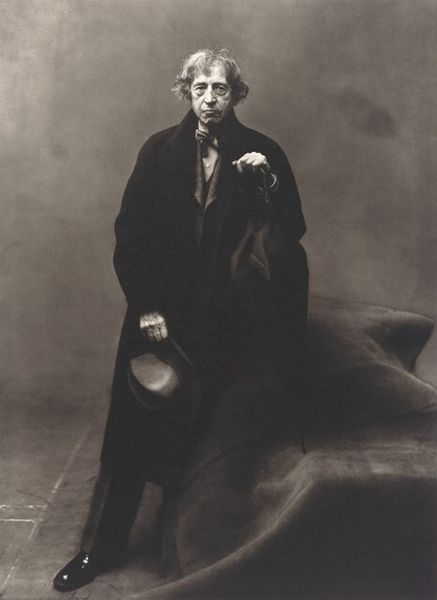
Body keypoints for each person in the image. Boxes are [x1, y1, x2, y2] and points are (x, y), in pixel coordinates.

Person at [53, 48, 308, 592]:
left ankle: (196, 545)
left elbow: (289, 236)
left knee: (209, 435)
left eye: (220, 88)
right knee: (129, 435)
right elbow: (131, 235)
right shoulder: (158, 151)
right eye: (200, 88)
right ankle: (99, 549)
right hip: (159, 315)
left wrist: (265, 187)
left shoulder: (263, 152)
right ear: (186, 93)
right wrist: (147, 306)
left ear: (236, 95)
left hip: (227, 321)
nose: (210, 99)